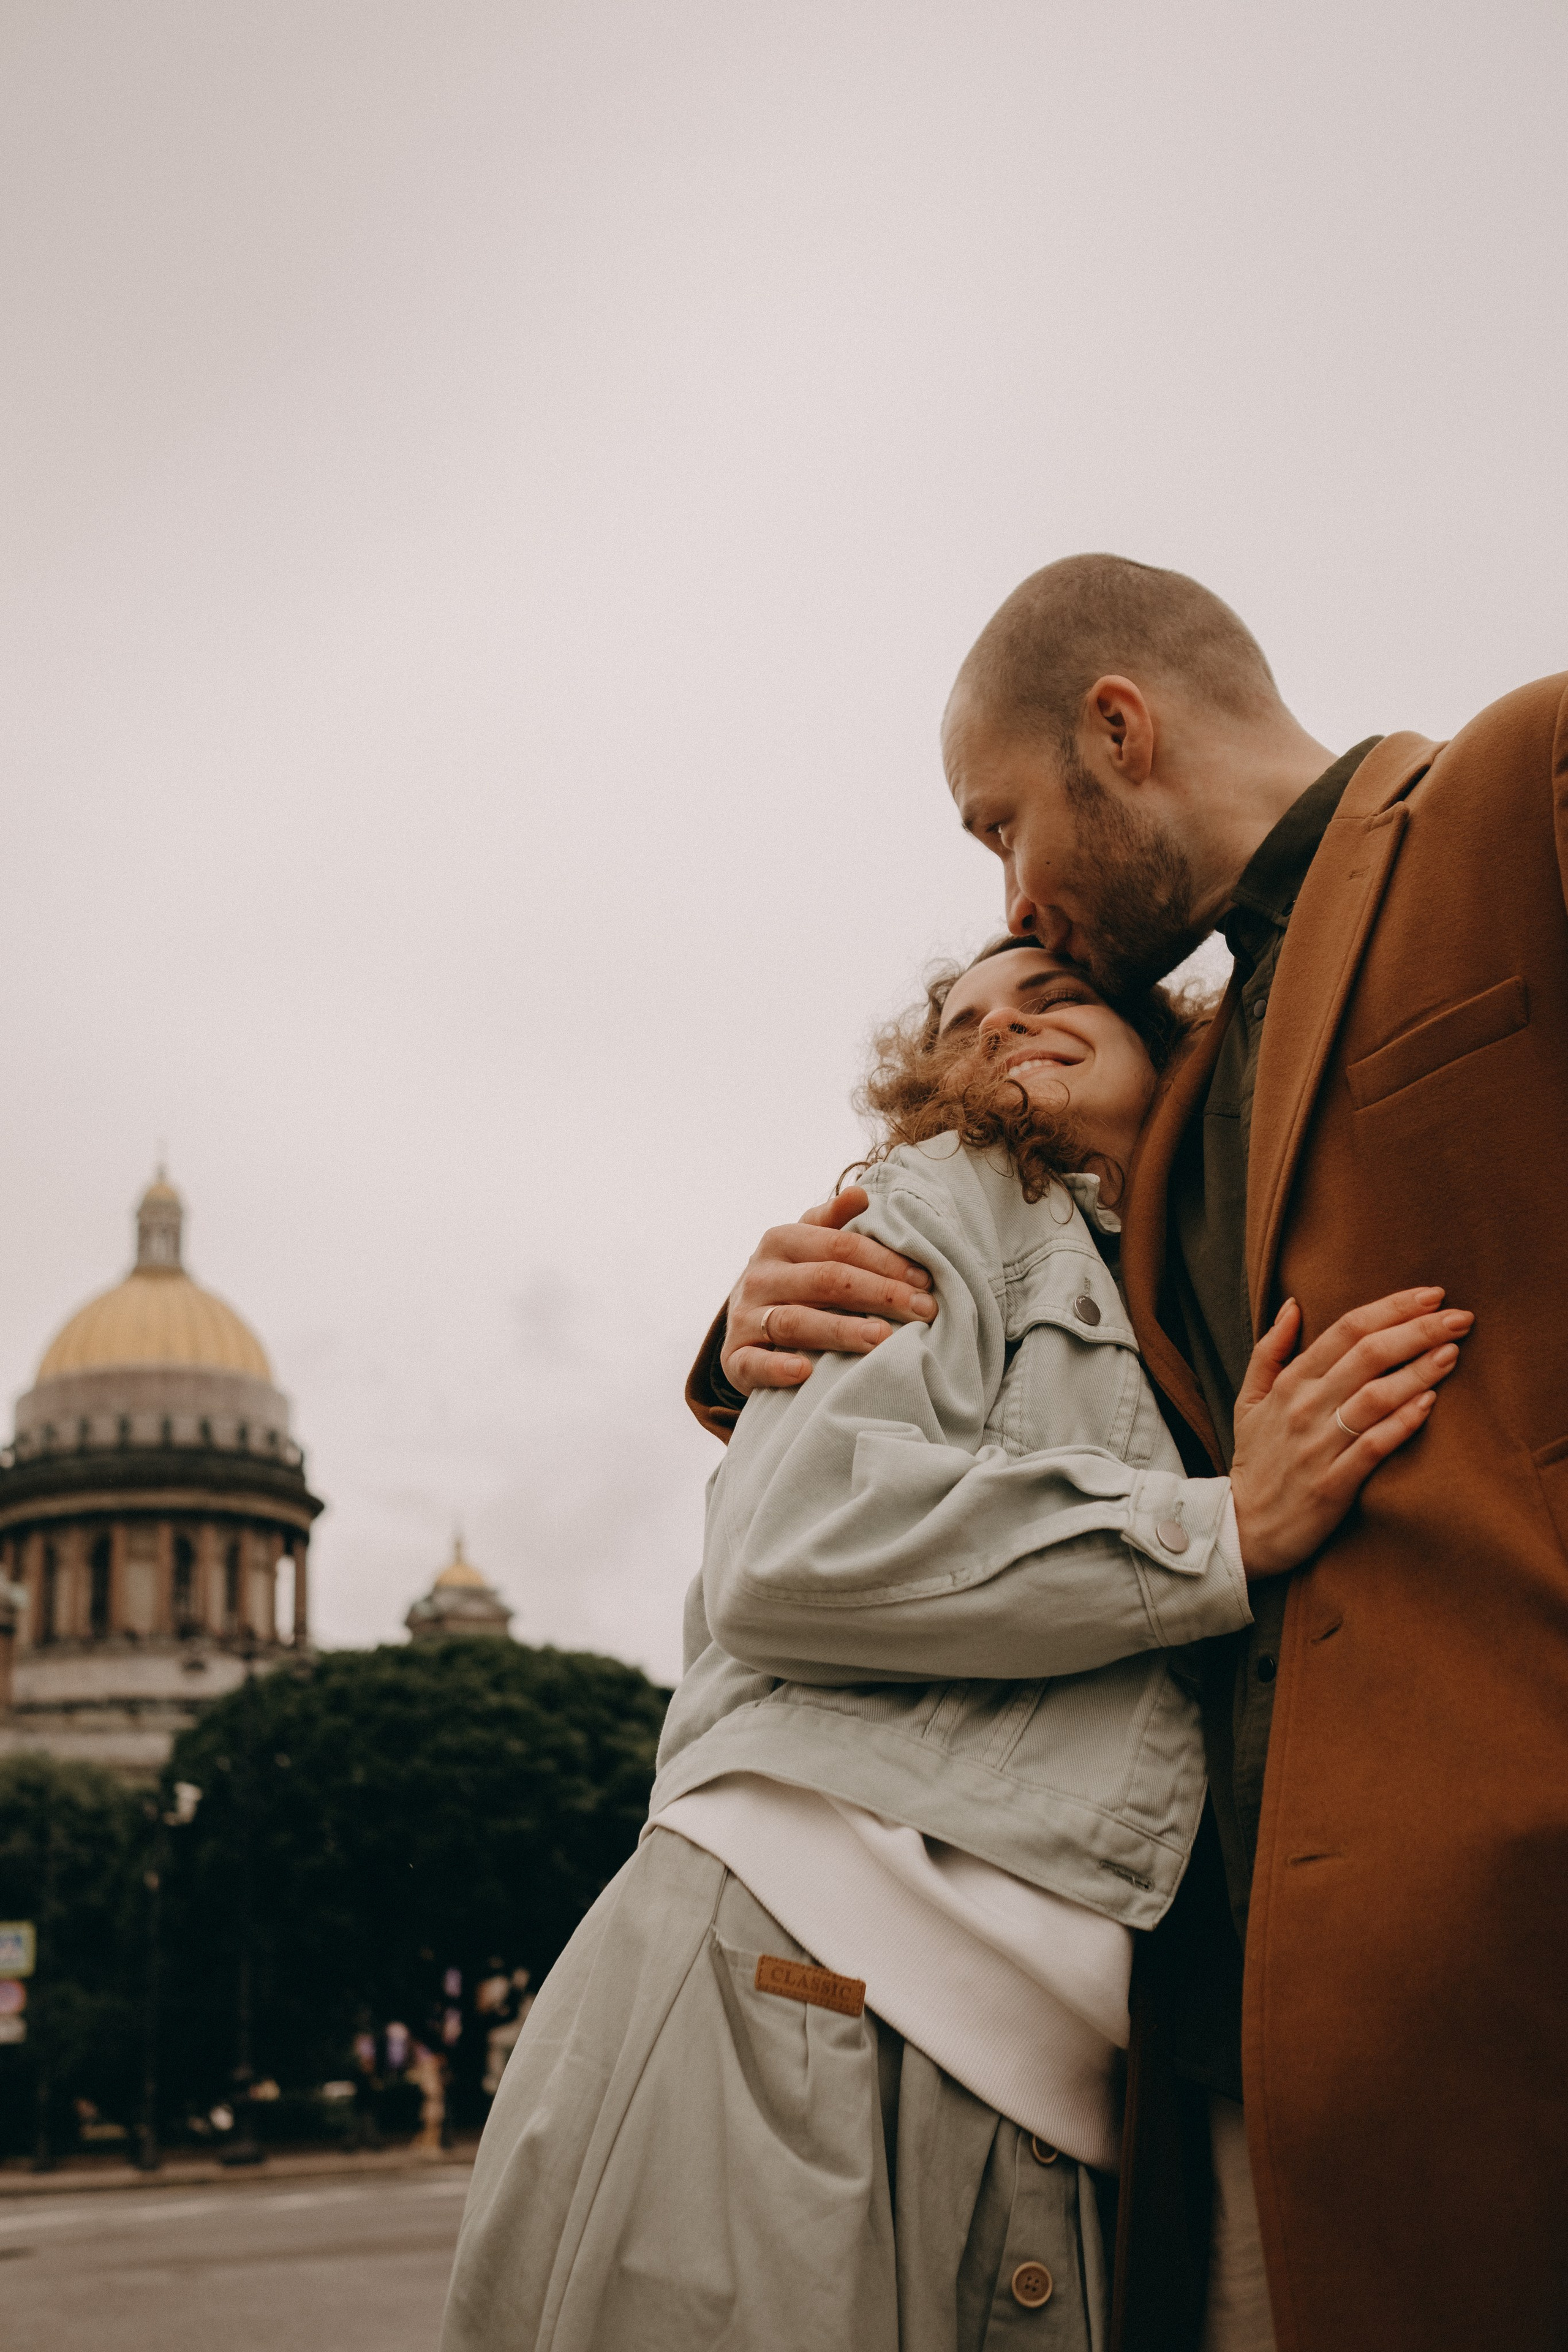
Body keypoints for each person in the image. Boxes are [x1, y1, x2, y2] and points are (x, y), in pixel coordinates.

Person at [692, 554, 1568, 2352]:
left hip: (1513, 1934)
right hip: (1216, 2034)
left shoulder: (1517, 783)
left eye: (1001, 826)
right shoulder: (1164, 1099)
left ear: (1121, 730)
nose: (1012, 898)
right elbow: (1090, 1398)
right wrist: (752, 1343)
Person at [443, 935, 1463, 2352]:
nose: (1006, 1029)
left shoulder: (1242, 1268)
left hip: (1075, 2090)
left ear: (1175, 1054)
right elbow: (789, 1552)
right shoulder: (933, 1198)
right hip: (802, 1979)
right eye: (965, 1024)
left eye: (1052, 997)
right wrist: (1219, 1527)